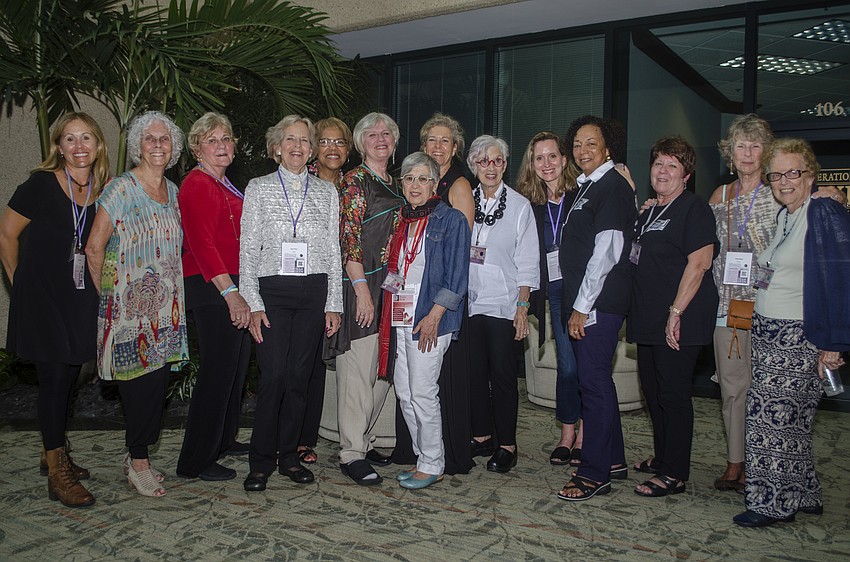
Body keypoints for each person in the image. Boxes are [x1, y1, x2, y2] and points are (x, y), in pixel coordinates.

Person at [705, 114, 846, 491]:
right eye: (740, 146)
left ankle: (765, 468)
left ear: (766, 153)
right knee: (733, 388)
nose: (747, 154)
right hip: (730, 304)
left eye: (755, 146)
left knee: (772, 394)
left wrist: (834, 194)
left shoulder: (783, 192)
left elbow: (820, 209)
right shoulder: (719, 196)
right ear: (729, 154)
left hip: (773, 308)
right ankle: (737, 461)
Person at [734, 139, 850, 527]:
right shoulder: (788, 214)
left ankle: (772, 504)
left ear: (811, 174)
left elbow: (841, 280)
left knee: (770, 420)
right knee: (795, 420)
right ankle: (805, 493)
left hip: (799, 336)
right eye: (776, 174)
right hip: (769, 333)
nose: (784, 181)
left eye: (793, 172)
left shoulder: (823, 211)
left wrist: (833, 346)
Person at [0, 112, 109, 508]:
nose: (79, 146)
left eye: (86, 138)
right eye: (69, 139)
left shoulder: (103, 189)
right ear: (58, 147)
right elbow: (6, 235)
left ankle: (54, 451)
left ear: (98, 145)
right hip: (43, 297)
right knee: (53, 379)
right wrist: (19, 285)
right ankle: (57, 471)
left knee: (69, 377)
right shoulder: (41, 184)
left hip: (79, 295)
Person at [86, 111, 189, 498]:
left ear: (174, 147)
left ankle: (137, 457)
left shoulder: (174, 192)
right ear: (137, 147)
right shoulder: (120, 190)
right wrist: (110, 305)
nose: (158, 145)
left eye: (165, 139)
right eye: (150, 139)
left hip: (166, 311)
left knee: (157, 386)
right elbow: (94, 249)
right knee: (138, 389)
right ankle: (140, 462)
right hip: (130, 314)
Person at [239, 115, 342, 492]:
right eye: (290, 139)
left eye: (304, 140)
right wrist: (252, 301)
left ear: (311, 149)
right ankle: (261, 462)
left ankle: (290, 457)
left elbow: (333, 249)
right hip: (272, 293)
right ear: (277, 146)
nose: (297, 146)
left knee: (300, 378)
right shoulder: (258, 188)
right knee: (274, 377)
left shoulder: (327, 192)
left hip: (313, 291)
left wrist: (334, 304)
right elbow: (247, 249)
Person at [628, 136, 718, 497]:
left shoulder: (694, 209)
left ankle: (675, 473)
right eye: (659, 163)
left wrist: (675, 312)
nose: (663, 171)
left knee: (673, 395)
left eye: (672, 166)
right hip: (650, 318)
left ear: (686, 174)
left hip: (680, 318)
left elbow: (700, 263)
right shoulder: (650, 211)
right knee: (653, 392)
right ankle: (664, 457)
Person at [378, 152, 470, 489]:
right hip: (401, 317)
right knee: (404, 391)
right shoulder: (402, 220)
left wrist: (435, 315)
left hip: (430, 319)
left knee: (423, 393)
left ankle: (433, 462)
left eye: (422, 178)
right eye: (408, 178)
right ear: (401, 183)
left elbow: (458, 277)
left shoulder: (451, 220)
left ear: (434, 183)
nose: (415, 185)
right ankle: (424, 458)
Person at [556, 115, 636, 501]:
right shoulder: (588, 187)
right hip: (589, 301)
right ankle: (614, 460)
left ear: (607, 149)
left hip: (598, 302)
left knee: (592, 383)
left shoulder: (612, 186)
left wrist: (581, 308)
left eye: (592, 144)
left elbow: (606, 252)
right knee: (597, 380)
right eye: (577, 145)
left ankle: (593, 473)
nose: (583, 151)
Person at [329, 112, 405, 486]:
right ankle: (351, 453)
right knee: (358, 372)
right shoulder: (355, 182)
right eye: (372, 134)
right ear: (360, 143)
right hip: (361, 284)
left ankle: (365, 437)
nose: (380, 138)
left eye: (386, 133)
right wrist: (360, 291)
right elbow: (349, 240)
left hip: (392, 290)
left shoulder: (399, 183)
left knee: (384, 370)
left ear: (395, 140)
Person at [175, 112, 251, 482]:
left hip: (230, 282)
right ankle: (194, 460)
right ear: (196, 148)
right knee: (217, 373)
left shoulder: (224, 184)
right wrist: (231, 294)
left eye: (226, 139)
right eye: (212, 140)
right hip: (213, 286)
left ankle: (222, 440)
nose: (221, 146)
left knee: (235, 372)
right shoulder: (197, 184)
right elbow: (202, 245)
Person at [466, 135, 539, 474]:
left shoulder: (521, 207)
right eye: (483, 161)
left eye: (496, 161)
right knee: (475, 375)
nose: (490, 167)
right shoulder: (465, 202)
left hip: (503, 305)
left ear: (505, 165)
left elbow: (528, 262)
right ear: (473, 166)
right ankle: (482, 436)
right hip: (470, 303)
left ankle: (507, 443)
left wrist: (522, 307)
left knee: (504, 377)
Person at [516, 131, 583, 467]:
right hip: (555, 293)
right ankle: (567, 433)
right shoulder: (529, 205)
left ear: (564, 159)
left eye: (552, 156)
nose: (547, 164)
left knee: (588, 365)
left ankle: (582, 436)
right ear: (532, 164)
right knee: (568, 366)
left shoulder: (582, 195)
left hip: (584, 291)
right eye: (539, 158)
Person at [298, 117, 352, 465]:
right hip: (306, 281)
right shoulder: (300, 183)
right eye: (325, 141)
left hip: (348, 283)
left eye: (340, 142)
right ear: (314, 147)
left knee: (323, 364)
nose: (332, 148)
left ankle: (314, 436)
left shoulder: (355, 185)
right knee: (300, 362)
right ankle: (293, 436)